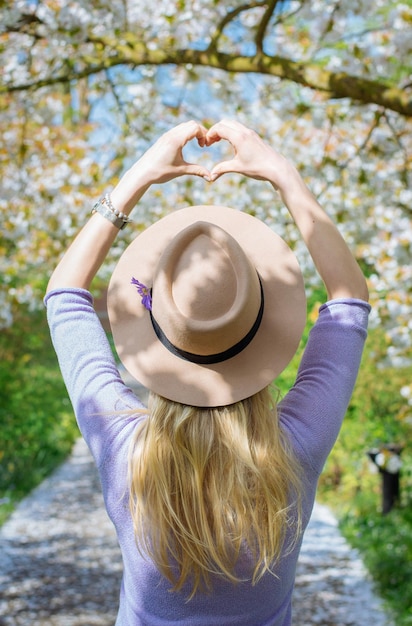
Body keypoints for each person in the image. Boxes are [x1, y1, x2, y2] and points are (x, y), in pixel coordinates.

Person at [45, 119, 370, 625]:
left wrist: (137, 179)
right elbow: (349, 301)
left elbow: (64, 296)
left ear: (160, 334)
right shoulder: (294, 451)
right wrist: (286, 176)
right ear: (260, 328)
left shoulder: (125, 453)